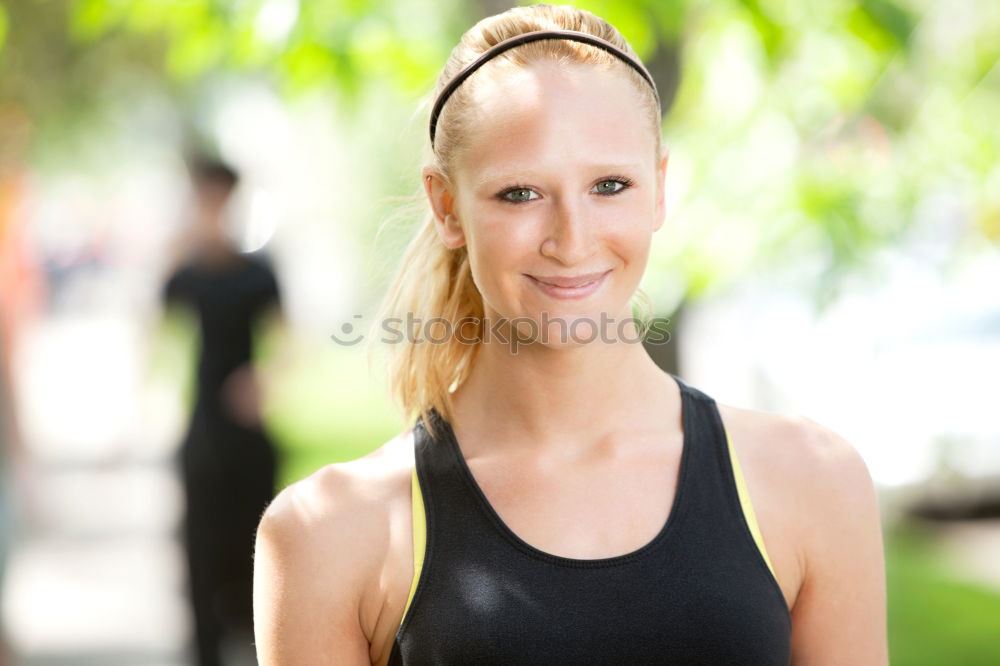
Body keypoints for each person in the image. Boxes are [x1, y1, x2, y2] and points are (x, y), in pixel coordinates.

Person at [253, 5, 888, 665]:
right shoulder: (328, 535)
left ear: (660, 190)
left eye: (610, 186)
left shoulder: (813, 483)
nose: (572, 240)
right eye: (521, 194)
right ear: (447, 206)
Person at [162, 156, 283, 666]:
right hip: (202, 427)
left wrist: (264, 379)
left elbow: (285, 338)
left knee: (251, 546)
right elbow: (158, 334)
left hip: (247, 429)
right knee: (201, 551)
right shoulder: (186, 271)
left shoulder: (258, 271)